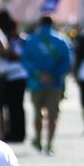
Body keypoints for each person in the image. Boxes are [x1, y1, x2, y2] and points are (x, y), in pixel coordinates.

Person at [19, 16, 72, 155]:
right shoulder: (61, 40)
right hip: (55, 83)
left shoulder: (31, 40)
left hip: (36, 83)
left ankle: (37, 139)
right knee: (53, 114)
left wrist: (38, 74)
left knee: (37, 112)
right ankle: (49, 144)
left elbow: (25, 60)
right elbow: (67, 61)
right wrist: (54, 74)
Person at [0, 10, 27, 143]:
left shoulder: (21, 39)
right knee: (6, 106)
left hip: (18, 75)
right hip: (6, 75)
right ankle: (9, 131)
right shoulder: (3, 38)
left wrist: (6, 52)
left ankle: (18, 133)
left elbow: (18, 56)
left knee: (16, 106)